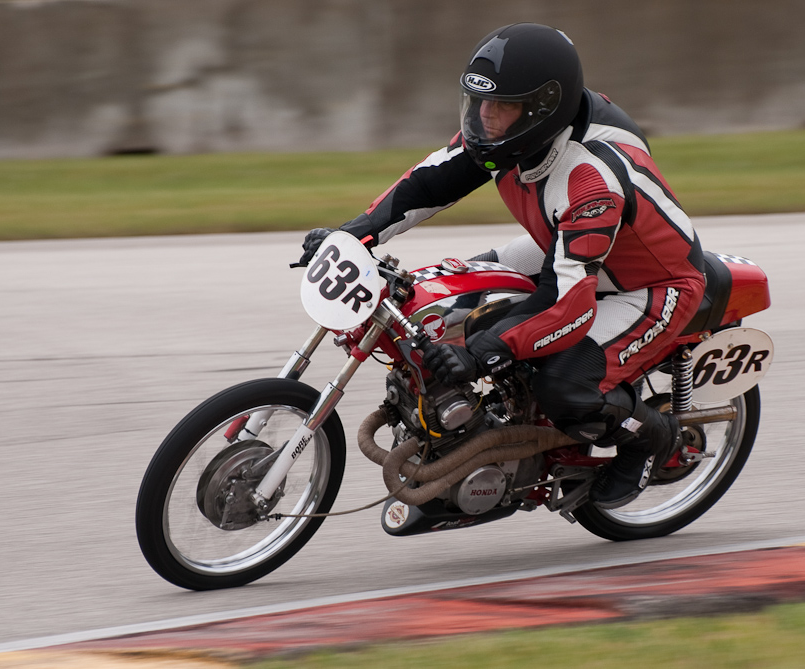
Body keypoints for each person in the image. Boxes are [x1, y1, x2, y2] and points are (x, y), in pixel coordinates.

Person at [298, 23, 706, 510]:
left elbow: (568, 306)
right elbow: (425, 185)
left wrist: (481, 354)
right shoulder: (509, 135)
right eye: (478, 102)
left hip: (648, 285)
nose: (484, 117)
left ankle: (650, 437)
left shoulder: (589, 178)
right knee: (452, 299)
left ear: (541, 109)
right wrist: (351, 236)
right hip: (565, 246)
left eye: (501, 106)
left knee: (561, 387)